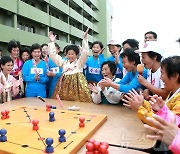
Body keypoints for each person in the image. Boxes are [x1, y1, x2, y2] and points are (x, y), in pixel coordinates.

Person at [48, 29, 92, 103]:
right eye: (69, 54)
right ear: (66, 54)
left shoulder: (79, 63)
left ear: (76, 55)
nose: (70, 56)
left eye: (72, 54)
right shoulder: (64, 63)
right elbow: (53, 56)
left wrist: (85, 39)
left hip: (78, 88)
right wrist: (52, 42)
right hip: (64, 88)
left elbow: (85, 53)